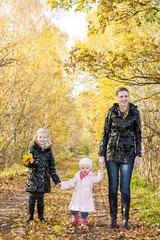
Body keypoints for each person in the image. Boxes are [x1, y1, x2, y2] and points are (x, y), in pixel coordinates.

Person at [98, 87, 142, 231]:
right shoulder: (111, 112)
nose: (124, 99)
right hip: (111, 154)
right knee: (112, 188)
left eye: (126, 96)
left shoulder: (135, 113)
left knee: (125, 189)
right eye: (121, 96)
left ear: (129, 97)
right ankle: (113, 218)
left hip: (128, 155)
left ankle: (125, 220)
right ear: (116, 98)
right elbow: (104, 134)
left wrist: (138, 155)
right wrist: (101, 155)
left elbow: (138, 135)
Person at [24, 128, 61, 223]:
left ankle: (41, 217)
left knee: (40, 198)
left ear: (48, 138)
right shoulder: (32, 149)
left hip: (43, 179)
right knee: (32, 198)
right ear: (36, 138)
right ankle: (30, 216)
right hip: (33, 178)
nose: (42, 139)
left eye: (44, 137)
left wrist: (56, 180)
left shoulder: (49, 151)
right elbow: (25, 163)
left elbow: (52, 167)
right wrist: (30, 162)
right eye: (40, 137)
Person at [58, 158, 104, 227]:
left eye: (87, 168)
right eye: (83, 168)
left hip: (86, 196)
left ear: (90, 168)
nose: (85, 169)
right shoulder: (77, 176)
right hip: (77, 196)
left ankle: (83, 221)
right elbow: (71, 182)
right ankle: (75, 219)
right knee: (73, 210)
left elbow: (98, 179)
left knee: (84, 211)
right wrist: (62, 184)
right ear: (80, 168)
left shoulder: (91, 177)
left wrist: (101, 171)